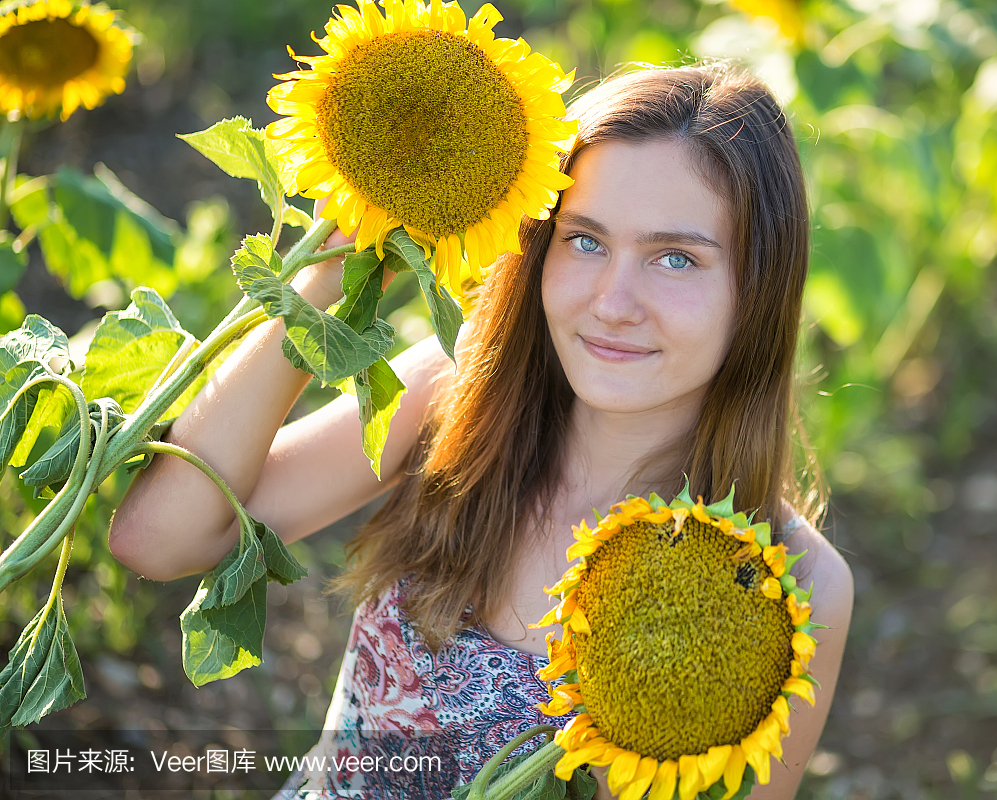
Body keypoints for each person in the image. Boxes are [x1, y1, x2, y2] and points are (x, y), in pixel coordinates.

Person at [109, 62, 853, 799]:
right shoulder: (458, 394)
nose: (613, 301)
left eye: (675, 257)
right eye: (585, 240)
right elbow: (162, 538)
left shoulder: (785, 587)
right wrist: (334, 269)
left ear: (758, 286)